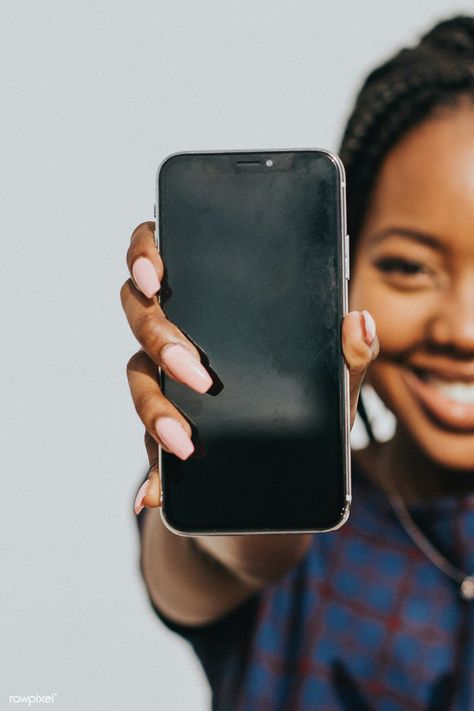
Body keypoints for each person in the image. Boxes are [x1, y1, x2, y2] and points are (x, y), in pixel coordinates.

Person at [120, 15, 474, 710]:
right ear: (345, 271)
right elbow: (231, 557)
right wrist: (263, 488)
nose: (462, 329)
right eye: (408, 266)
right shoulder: (264, 480)